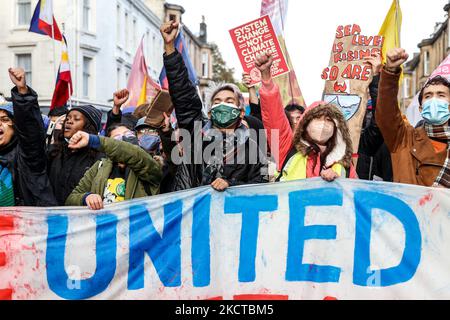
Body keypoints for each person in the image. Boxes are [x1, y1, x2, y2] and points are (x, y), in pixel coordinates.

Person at [161, 20, 268, 192]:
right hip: (194, 215)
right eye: (217, 102)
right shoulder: (196, 137)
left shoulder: (253, 148)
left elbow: (262, 185)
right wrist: (170, 48)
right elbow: (184, 96)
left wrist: (230, 185)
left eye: (229, 101)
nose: (222, 105)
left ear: (241, 113)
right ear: (210, 113)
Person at [257, 52, 357, 182]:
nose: (323, 124)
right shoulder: (287, 149)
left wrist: (337, 180)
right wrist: (266, 79)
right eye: (317, 118)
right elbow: (273, 117)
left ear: (336, 128)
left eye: (328, 120)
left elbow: (355, 195)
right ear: (305, 124)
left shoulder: (346, 166)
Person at [377, 48, 450, 188]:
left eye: (441, 95)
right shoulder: (404, 138)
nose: (434, 100)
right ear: (421, 109)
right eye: (428, 96)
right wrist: (390, 72)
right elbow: (386, 113)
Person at [65, 128, 163, 210]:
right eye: (117, 138)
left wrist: (93, 140)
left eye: (128, 134)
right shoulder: (99, 167)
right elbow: (70, 200)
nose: (124, 139)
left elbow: (133, 153)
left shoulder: (148, 165)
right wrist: (86, 197)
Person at [0, 68, 57, 206]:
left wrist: (23, 93)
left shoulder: (27, 155)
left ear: (15, 127)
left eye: (5, 119)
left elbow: (30, 130)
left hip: (30, 224)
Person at [47, 104, 104, 205]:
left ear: (88, 126)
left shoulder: (99, 158)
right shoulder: (54, 152)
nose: (69, 121)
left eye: (76, 119)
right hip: (53, 216)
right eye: (67, 118)